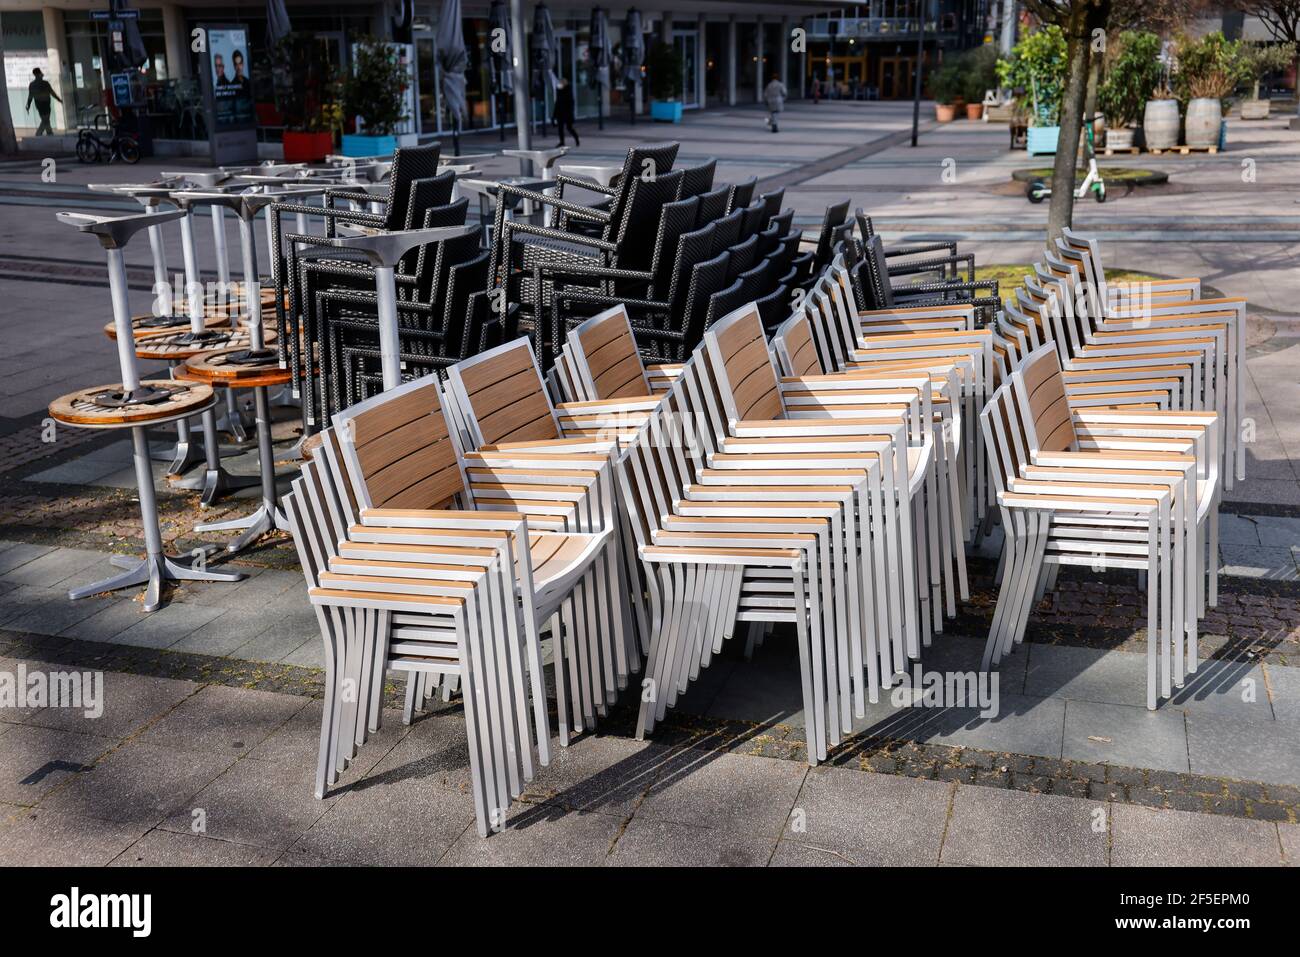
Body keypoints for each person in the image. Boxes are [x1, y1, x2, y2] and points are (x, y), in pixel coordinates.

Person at [26, 68, 62, 136]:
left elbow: (30, 96)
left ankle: (49, 132)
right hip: (46, 103)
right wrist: (58, 99)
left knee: (45, 119)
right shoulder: (45, 83)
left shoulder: (32, 84)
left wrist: (28, 105)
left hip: (39, 104)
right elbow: (52, 92)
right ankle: (39, 133)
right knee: (45, 120)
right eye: (41, 73)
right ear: (39, 74)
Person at [553, 77, 579, 147]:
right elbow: (557, 103)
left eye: (561, 83)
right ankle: (562, 142)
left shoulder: (568, 92)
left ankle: (576, 139)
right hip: (560, 113)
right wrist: (554, 115)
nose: (559, 84)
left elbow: (570, 104)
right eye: (559, 83)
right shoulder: (559, 91)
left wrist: (570, 114)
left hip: (567, 114)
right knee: (560, 128)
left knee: (569, 128)